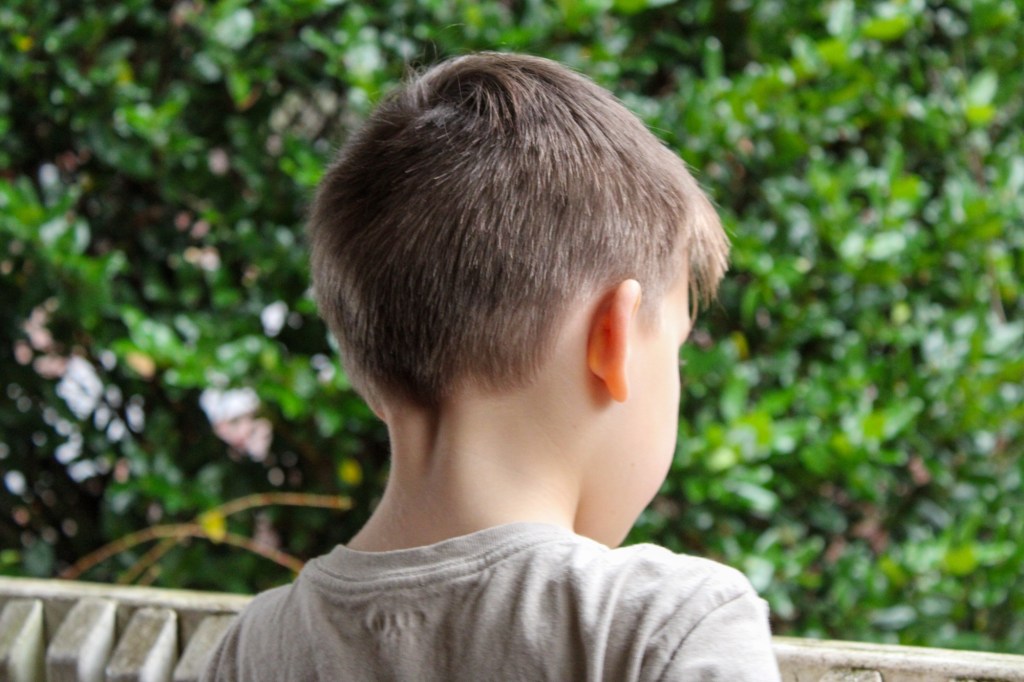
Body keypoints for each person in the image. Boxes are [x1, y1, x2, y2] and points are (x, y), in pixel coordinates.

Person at [202, 52, 780, 680]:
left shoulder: (252, 649)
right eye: (676, 349)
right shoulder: (664, 626)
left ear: (366, 362)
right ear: (612, 340)